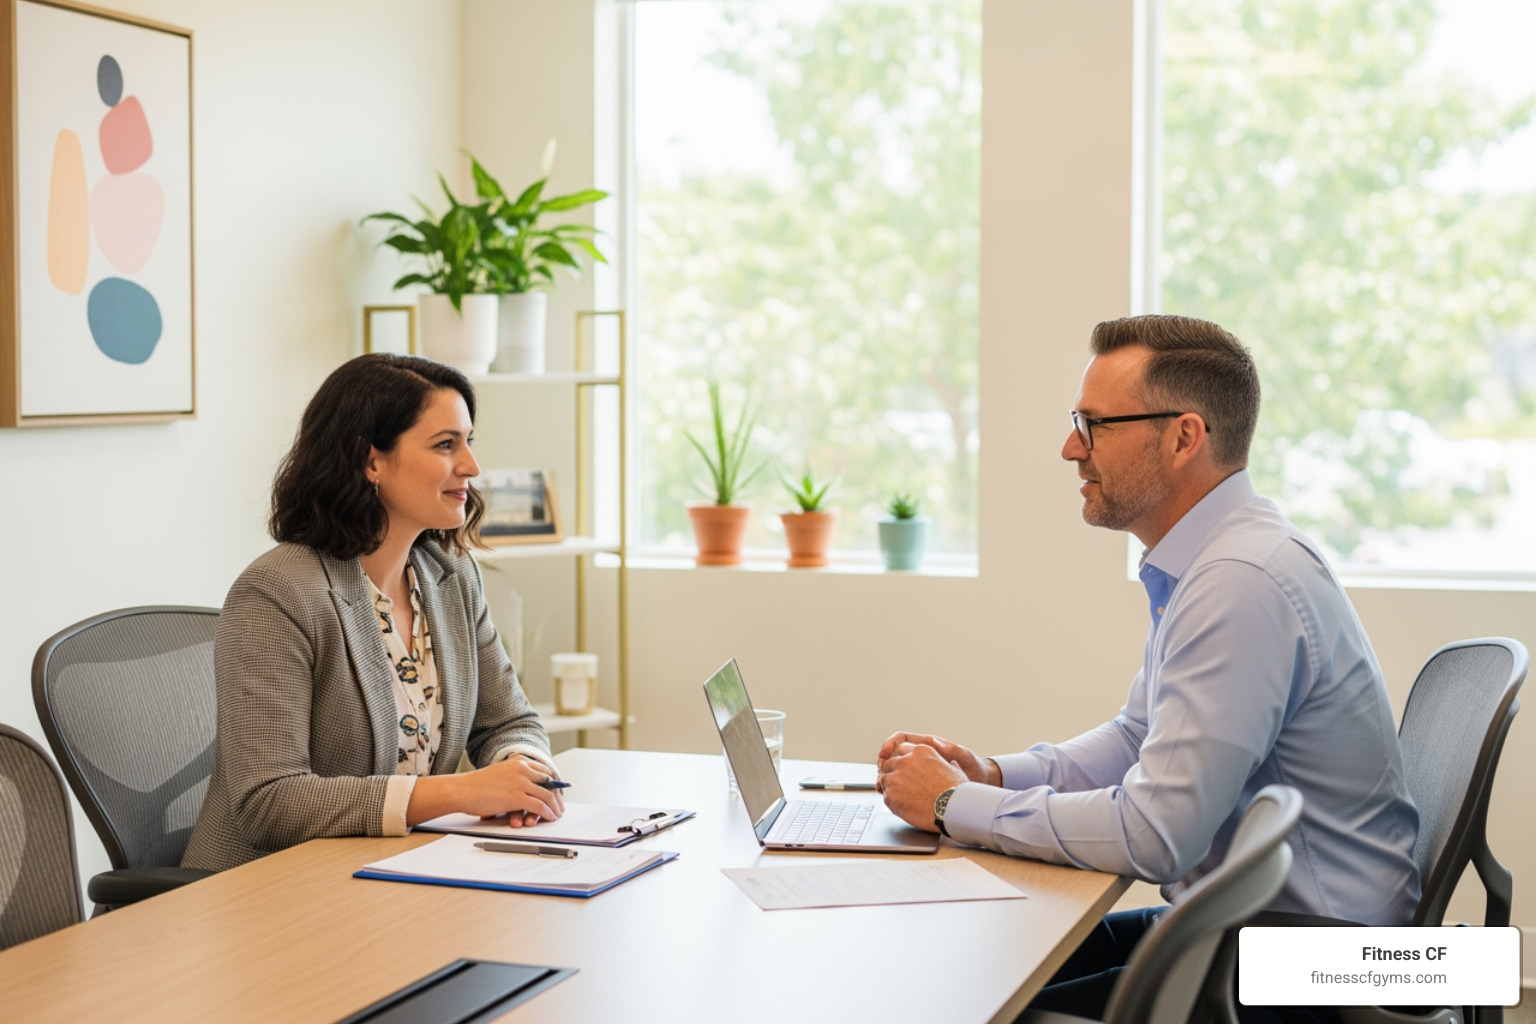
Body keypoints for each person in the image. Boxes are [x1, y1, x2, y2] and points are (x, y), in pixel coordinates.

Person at [875, 314, 1420, 1020]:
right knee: (994, 969)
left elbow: (1157, 835)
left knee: (983, 1006)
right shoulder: (1214, 561)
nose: (1071, 447)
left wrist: (953, 805)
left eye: (1095, 424)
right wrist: (994, 773)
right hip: (1267, 933)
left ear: (1184, 437)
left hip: (1325, 966)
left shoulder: (1240, 580)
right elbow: (1138, 737)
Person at [183, 354, 562, 873]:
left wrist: (522, 772)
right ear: (371, 462)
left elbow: (509, 720)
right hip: (266, 890)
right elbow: (268, 801)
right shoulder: (277, 593)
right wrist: (459, 793)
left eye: (469, 441)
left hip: (391, 871)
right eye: (445, 444)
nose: (472, 466)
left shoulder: (451, 578)